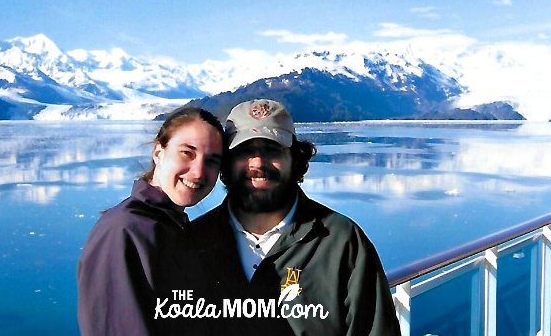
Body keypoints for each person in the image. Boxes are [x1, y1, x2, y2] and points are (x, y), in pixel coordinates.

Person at [193, 99, 401, 335]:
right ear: (225, 162)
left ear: (295, 159)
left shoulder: (340, 241)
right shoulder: (193, 242)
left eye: (272, 150)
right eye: (244, 151)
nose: (258, 163)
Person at [77, 107, 225, 336]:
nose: (198, 172)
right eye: (187, 153)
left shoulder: (171, 226)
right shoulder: (124, 231)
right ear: (158, 153)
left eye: (212, 161)